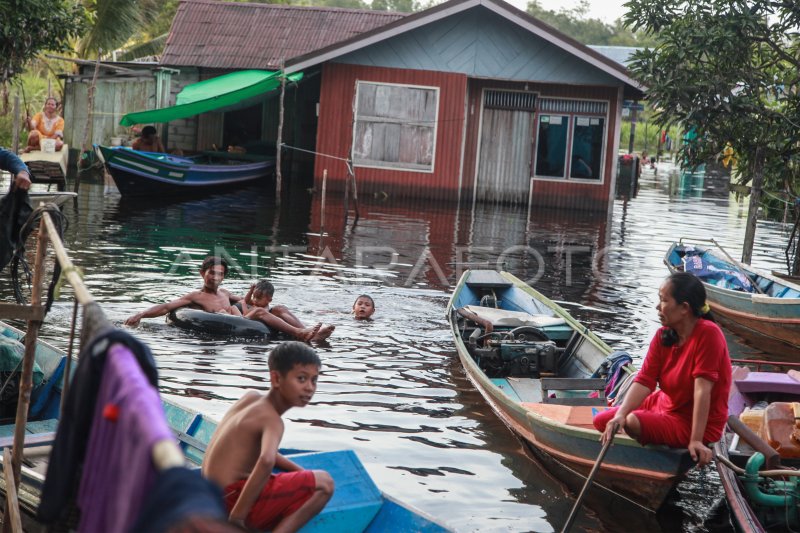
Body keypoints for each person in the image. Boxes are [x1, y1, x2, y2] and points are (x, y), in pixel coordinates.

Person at [593, 272, 731, 467]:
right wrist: (620, 415)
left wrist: (696, 440)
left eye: (664, 300)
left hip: (695, 423)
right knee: (603, 421)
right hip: (665, 404)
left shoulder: (709, 334)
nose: (658, 307)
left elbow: (702, 390)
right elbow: (644, 380)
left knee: (633, 421)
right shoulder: (663, 335)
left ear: (684, 308)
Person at [202, 342, 334, 531]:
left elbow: (259, 452)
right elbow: (266, 460)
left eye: (314, 380)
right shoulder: (273, 420)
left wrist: (299, 472)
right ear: (276, 378)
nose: (309, 388)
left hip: (208, 494)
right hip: (229, 502)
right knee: (325, 483)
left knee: (301, 478)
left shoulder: (250, 398)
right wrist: (237, 518)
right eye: (301, 379)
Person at [125, 256, 240, 327]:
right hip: (206, 336)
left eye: (220, 274)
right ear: (201, 273)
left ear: (223, 277)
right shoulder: (196, 296)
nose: (215, 277)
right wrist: (141, 314)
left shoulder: (225, 293)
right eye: (211, 272)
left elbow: (246, 301)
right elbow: (166, 307)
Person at [238, 280, 334, 342]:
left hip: (263, 317)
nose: (255, 300)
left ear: (269, 300)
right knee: (259, 310)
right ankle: (299, 332)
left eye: (258, 298)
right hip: (248, 318)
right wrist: (250, 291)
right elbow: (246, 302)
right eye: (254, 297)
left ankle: (309, 333)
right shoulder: (254, 305)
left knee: (280, 308)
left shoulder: (266, 306)